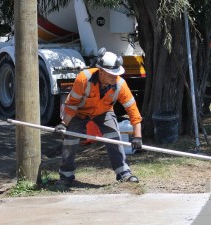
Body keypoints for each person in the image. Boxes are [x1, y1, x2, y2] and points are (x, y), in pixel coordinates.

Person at [53, 47, 143, 187]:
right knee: (70, 140)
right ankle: (66, 176)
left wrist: (137, 136)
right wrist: (64, 124)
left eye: (117, 74)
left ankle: (123, 173)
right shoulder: (83, 79)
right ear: (101, 71)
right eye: (111, 74)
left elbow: (133, 111)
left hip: (104, 112)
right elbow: (72, 104)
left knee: (114, 137)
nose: (115, 77)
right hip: (80, 113)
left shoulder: (120, 84)